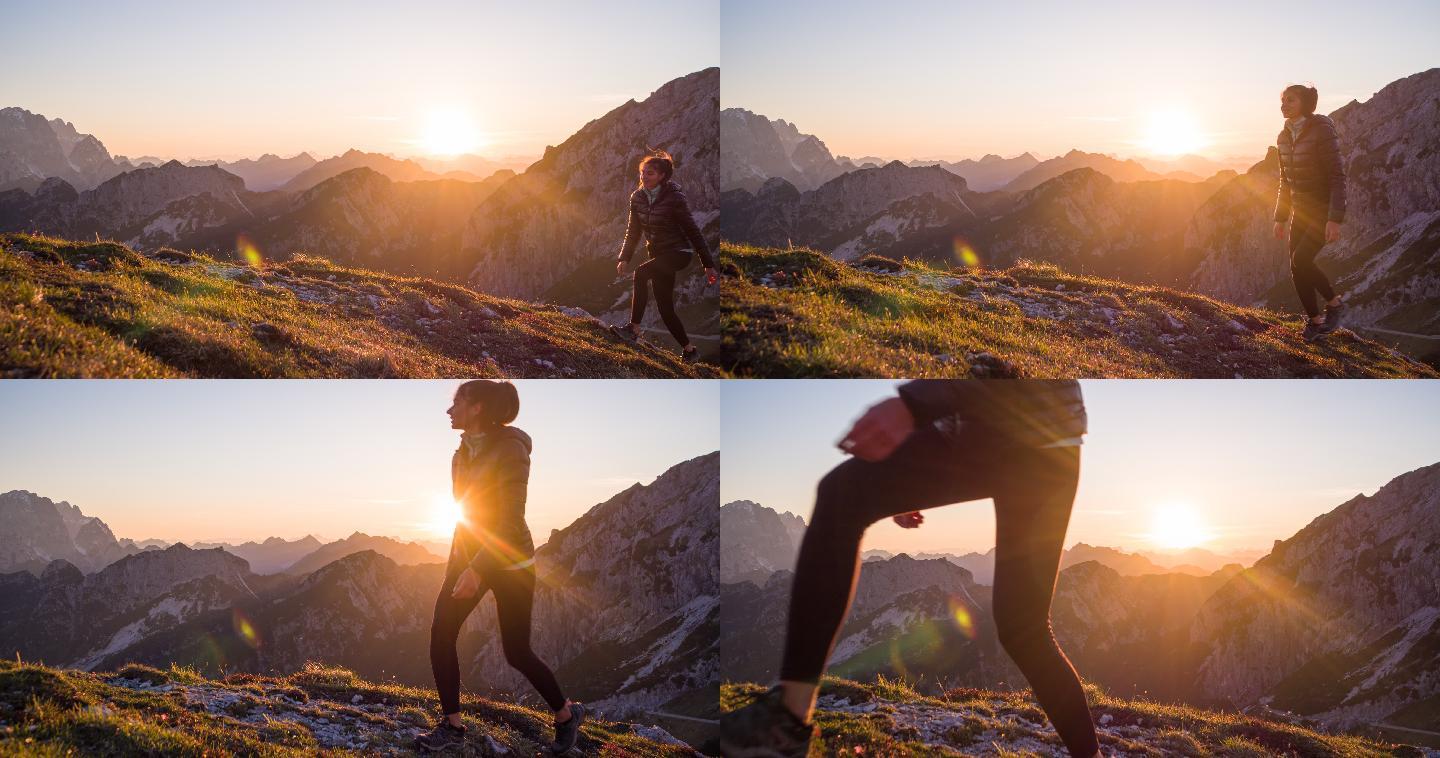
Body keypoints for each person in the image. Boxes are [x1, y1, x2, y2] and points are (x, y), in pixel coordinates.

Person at [720, 380, 1103, 758]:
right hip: (1050, 438)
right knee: (1025, 629)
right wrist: (914, 442)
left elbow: (997, 359)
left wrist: (913, 405)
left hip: (1012, 424)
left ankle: (786, 721)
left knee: (843, 495)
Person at [417, 380, 586, 754]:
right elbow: (465, 515)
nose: (449, 410)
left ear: (477, 407)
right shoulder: (460, 454)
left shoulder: (511, 449)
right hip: (471, 557)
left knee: (516, 651)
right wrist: (458, 567)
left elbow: (508, 518)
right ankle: (452, 727)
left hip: (511, 563)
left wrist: (477, 569)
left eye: (456, 401)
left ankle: (565, 714)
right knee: (441, 632)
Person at [613, 149, 719, 362]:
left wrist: (708, 263)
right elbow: (633, 231)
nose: (644, 176)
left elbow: (693, 231)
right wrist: (624, 256)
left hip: (679, 253)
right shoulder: (637, 197)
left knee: (641, 274)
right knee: (665, 307)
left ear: (662, 176)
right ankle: (690, 350)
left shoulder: (674, 198)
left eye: (650, 173)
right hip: (660, 255)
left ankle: (633, 329)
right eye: (643, 172)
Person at [1272, 83, 1348, 342]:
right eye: (1282, 100)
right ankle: (1315, 322)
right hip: (1299, 212)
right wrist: (1280, 217)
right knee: (1296, 266)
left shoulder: (1321, 131)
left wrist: (1334, 219)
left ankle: (1335, 304)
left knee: (1301, 260)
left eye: (1290, 100)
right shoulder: (1283, 137)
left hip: (1321, 210)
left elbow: (1337, 176)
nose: (1284, 105)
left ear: (1305, 103)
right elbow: (1285, 180)